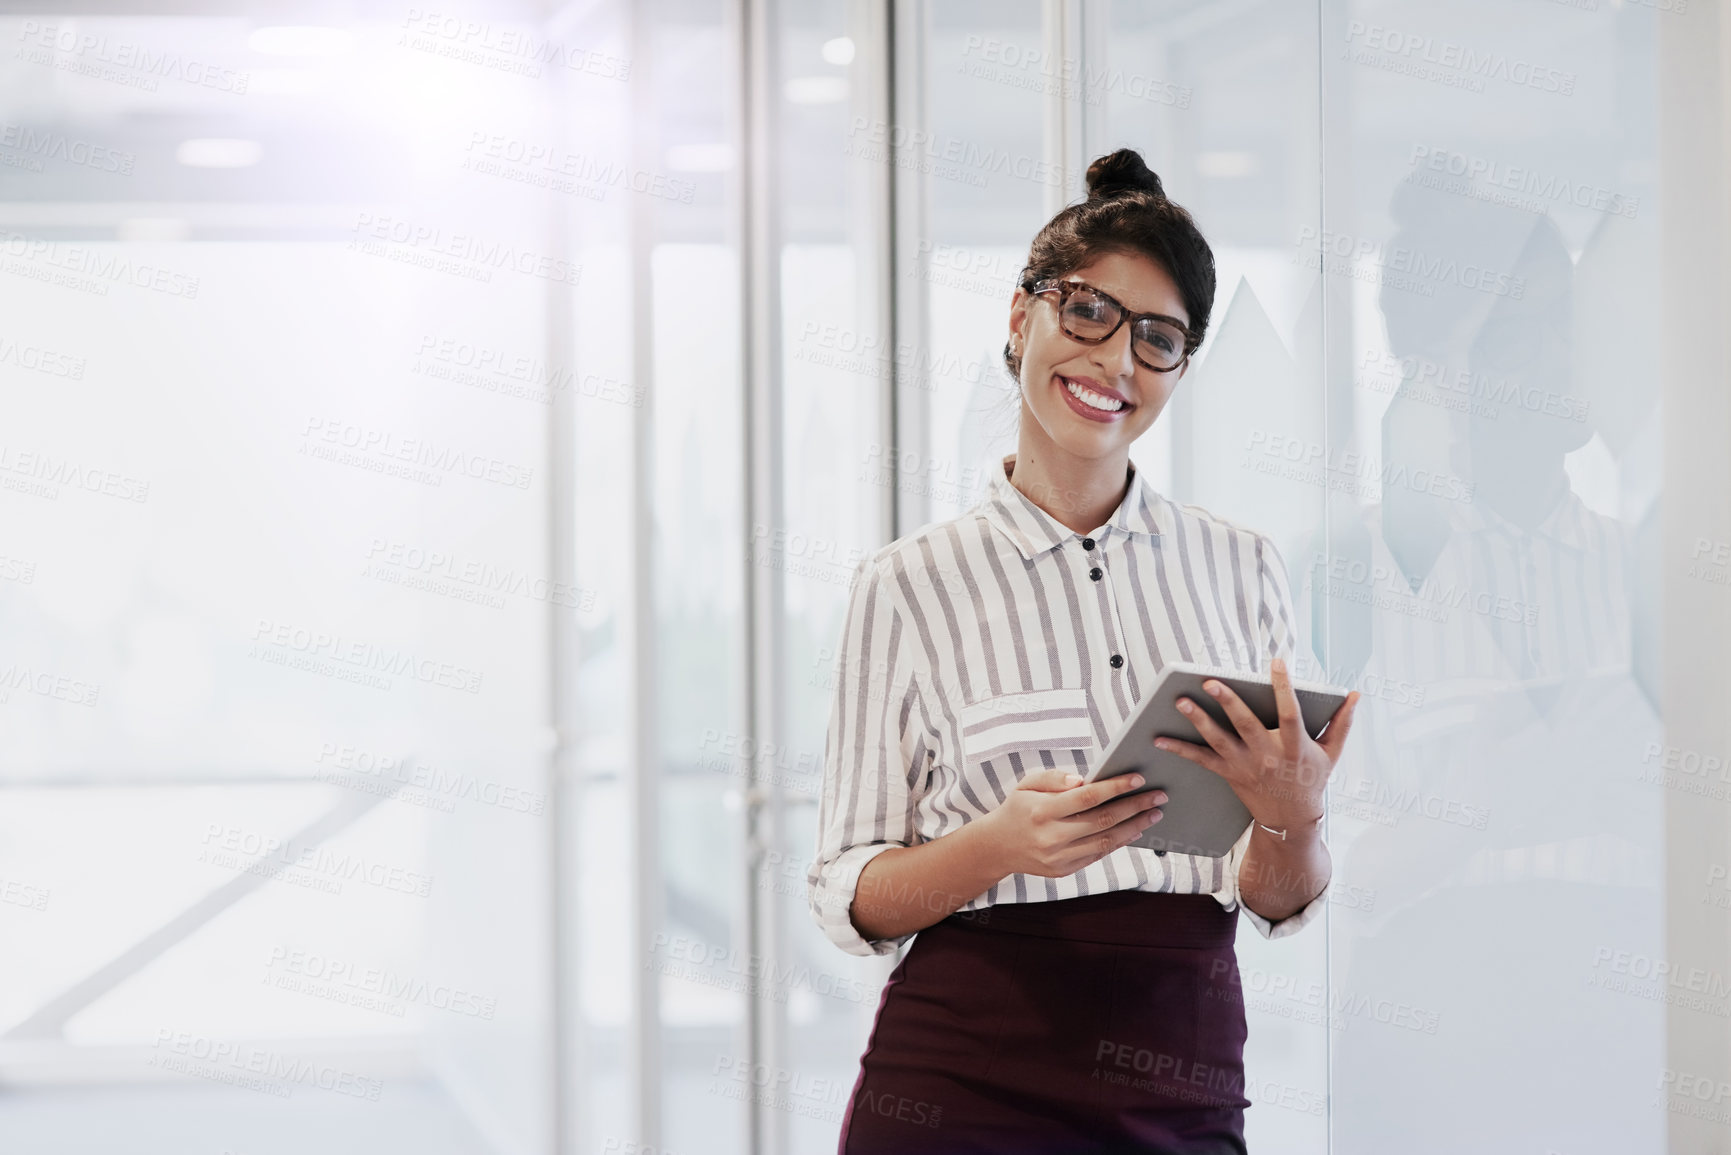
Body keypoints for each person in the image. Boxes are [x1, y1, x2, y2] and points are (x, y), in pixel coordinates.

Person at [806, 148, 1360, 1154]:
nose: (1115, 363)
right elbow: (853, 896)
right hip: (961, 1081)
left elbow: (1276, 894)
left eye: (1159, 340)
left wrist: (1293, 819)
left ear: (1181, 369)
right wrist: (998, 847)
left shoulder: (1242, 569)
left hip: (1185, 1075)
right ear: (1022, 318)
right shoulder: (907, 584)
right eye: (1087, 313)